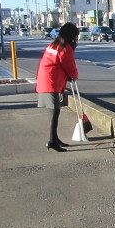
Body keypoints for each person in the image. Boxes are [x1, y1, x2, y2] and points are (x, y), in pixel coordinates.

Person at [36, 22, 79, 152]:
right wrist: (74, 75)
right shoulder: (65, 48)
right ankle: (51, 141)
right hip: (51, 81)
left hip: (46, 79)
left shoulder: (54, 45)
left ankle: (55, 139)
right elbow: (69, 65)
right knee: (54, 111)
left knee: (54, 111)